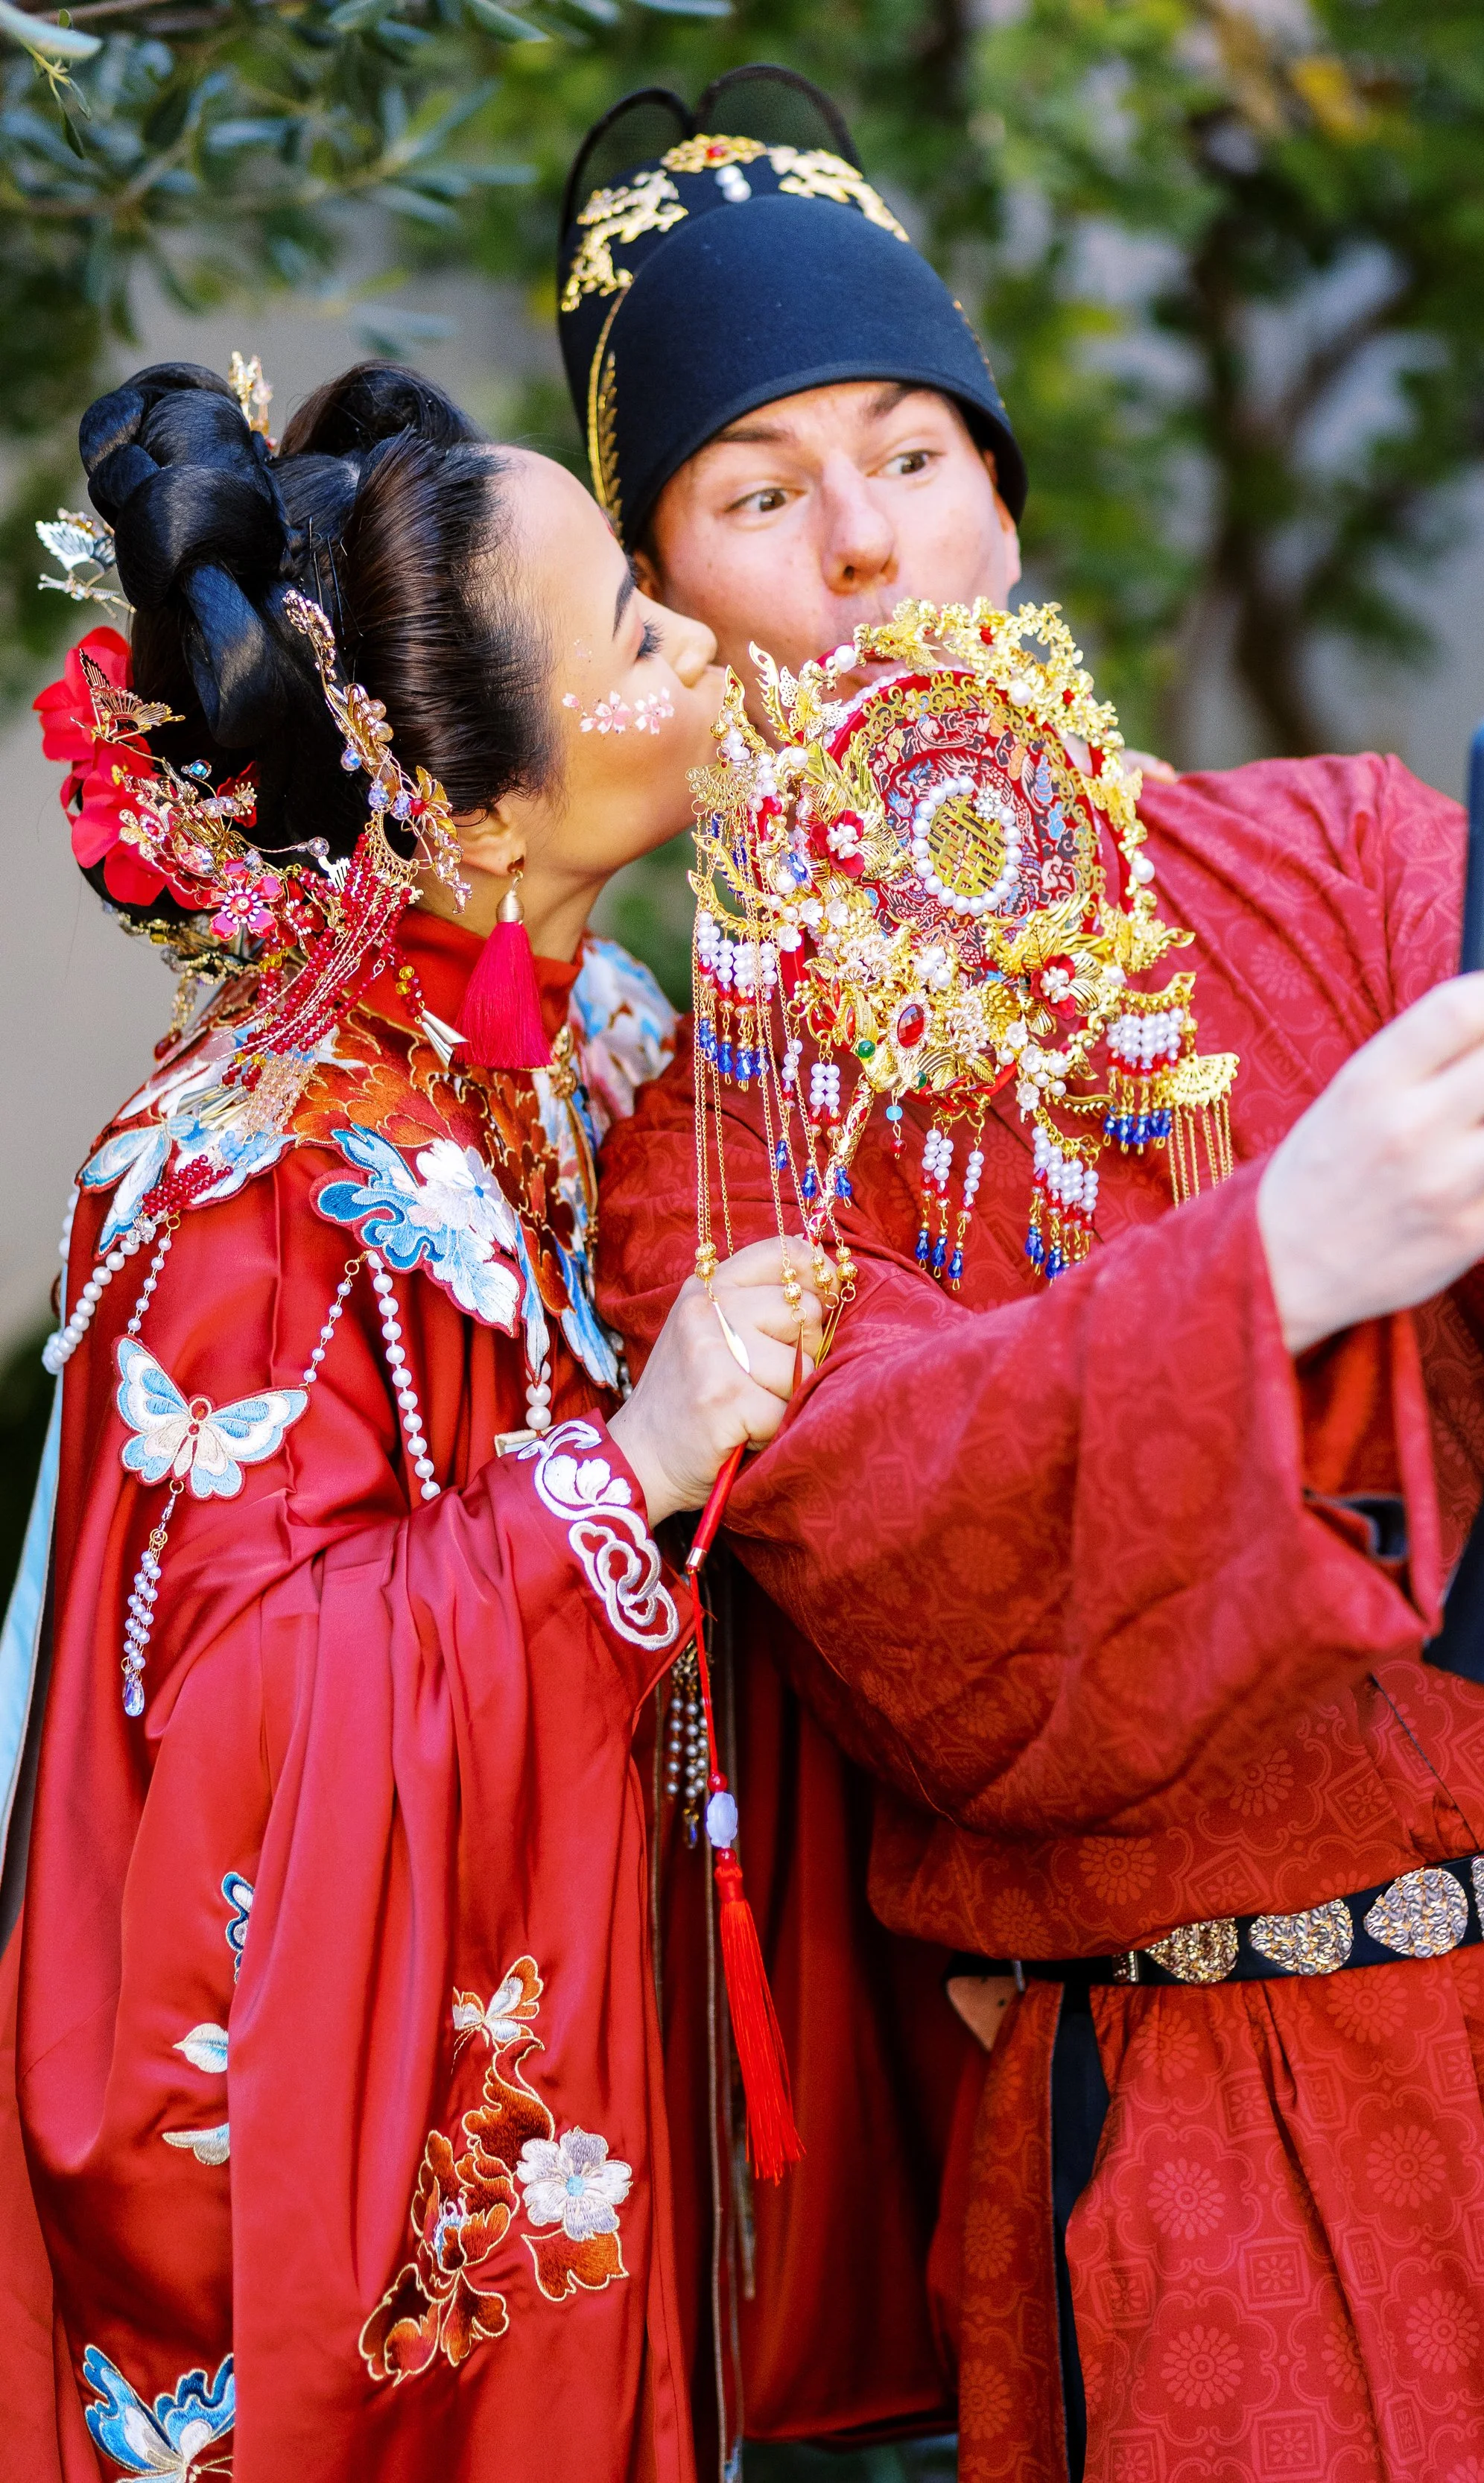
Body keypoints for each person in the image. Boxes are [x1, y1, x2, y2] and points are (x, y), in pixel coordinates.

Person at [566, 75, 1484, 2483]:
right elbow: (926, 1611)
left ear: (1001, 495)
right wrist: (1270, 1267)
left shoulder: (1346, 851)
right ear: (670, 607)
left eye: (913, 451)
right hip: (1225, 2159)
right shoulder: (704, 1165)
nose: (865, 544)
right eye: (760, 494)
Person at [0, 357, 826, 2482]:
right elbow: (229, 1755)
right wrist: (620, 1474)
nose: (701, 638)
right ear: (478, 816)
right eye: (638, 631)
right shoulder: (245, 1180)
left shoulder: (586, 1034)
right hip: (362, 2165)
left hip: (573, 2038)